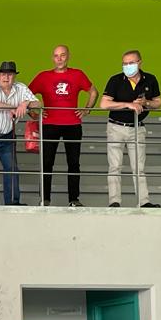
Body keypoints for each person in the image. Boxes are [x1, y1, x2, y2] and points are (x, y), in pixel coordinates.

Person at [27, 45, 96, 207]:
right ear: (52, 58)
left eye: (62, 55)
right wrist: (33, 113)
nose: (59, 58)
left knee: (73, 163)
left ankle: (74, 199)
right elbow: (25, 95)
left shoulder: (77, 74)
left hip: (73, 124)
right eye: (56, 55)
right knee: (46, 163)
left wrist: (87, 109)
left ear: (68, 56)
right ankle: (44, 199)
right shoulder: (43, 76)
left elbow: (93, 91)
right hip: (49, 124)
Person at [99, 49, 161, 208]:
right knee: (115, 166)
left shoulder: (150, 79)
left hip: (137, 128)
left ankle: (144, 202)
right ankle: (114, 201)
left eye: (131, 63)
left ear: (140, 62)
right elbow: (104, 104)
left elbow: (158, 102)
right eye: (125, 63)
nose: (127, 66)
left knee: (139, 167)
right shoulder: (115, 80)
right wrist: (128, 104)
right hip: (116, 127)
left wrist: (146, 103)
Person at [0, 61, 39, 206]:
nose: (6, 77)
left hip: (8, 136)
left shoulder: (20, 87)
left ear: (14, 76)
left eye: (10, 74)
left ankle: (13, 203)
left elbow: (38, 103)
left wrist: (25, 104)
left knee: (12, 169)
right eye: (3, 74)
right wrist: (13, 107)